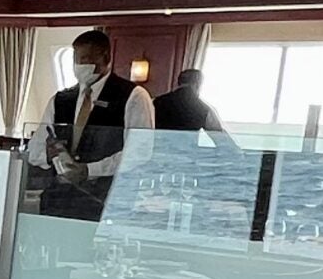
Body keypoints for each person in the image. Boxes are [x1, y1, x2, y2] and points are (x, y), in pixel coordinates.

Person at [31, 28, 152, 217]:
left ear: (105, 57)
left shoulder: (133, 96)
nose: (81, 65)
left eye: (86, 59)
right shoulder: (61, 99)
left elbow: (140, 153)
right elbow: (34, 150)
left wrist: (90, 170)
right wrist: (47, 154)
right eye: (77, 60)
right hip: (60, 199)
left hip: (107, 199)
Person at [151, 65, 236, 148]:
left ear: (178, 82)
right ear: (198, 84)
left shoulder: (156, 102)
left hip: (158, 152)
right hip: (185, 154)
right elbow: (222, 140)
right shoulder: (203, 108)